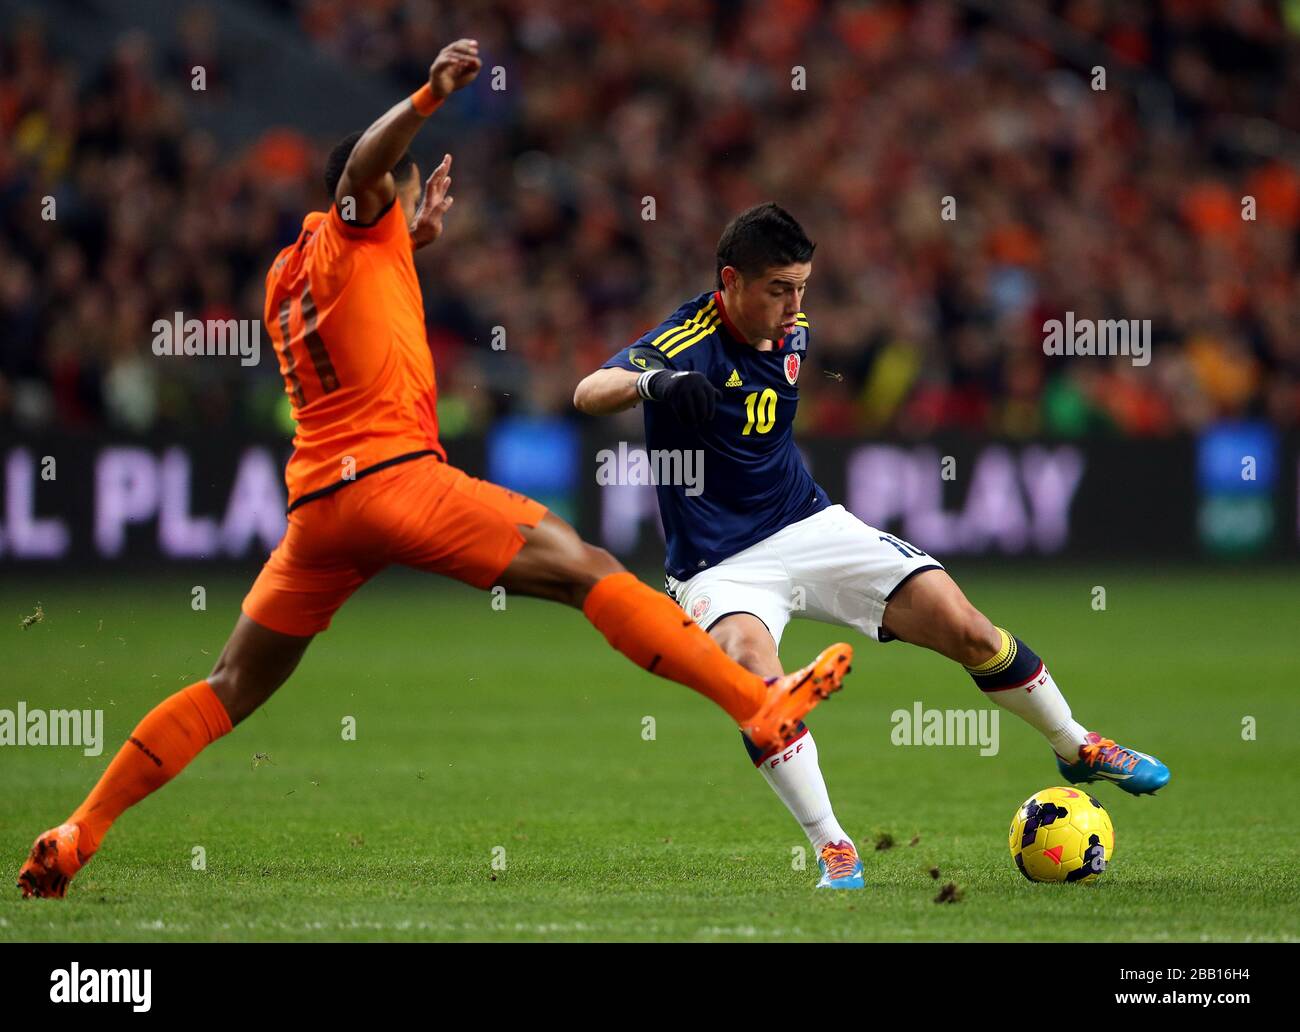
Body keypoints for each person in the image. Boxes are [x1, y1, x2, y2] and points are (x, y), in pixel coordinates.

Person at [17, 44, 853, 901]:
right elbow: (366, 178)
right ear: (376, 195)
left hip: (317, 510)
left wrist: (406, 239)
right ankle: (757, 704)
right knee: (586, 570)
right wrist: (425, 98)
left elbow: (357, 295)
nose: (405, 212)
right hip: (394, 479)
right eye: (401, 201)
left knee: (230, 685)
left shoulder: (286, 273)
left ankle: (81, 830)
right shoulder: (358, 214)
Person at [574, 202, 1170, 889]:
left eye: (803, 287)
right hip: (719, 565)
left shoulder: (794, 330)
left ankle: (1077, 745)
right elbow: (590, 391)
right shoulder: (688, 340)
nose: (795, 305)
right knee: (759, 685)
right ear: (731, 281)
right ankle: (834, 847)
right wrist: (654, 383)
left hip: (808, 525)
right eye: (778, 289)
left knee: (966, 626)